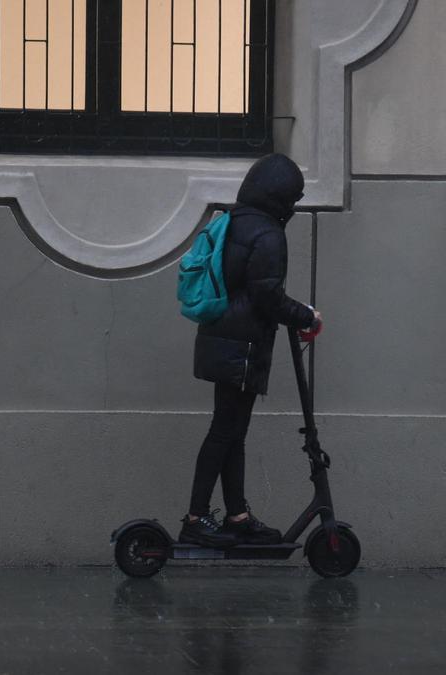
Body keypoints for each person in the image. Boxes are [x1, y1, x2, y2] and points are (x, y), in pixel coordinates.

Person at [181, 153, 323, 548]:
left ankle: (237, 514)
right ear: (280, 196)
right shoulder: (267, 234)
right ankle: (195, 518)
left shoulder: (236, 221)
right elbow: (267, 296)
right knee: (224, 431)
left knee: (231, 431)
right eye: (292, 198)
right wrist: (306, 316)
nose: (293, 206)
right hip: (241, 346)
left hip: (223, 339)